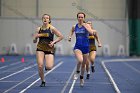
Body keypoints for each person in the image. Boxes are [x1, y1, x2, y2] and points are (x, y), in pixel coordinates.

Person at [33, 14, 63, 87]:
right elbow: (34, 41)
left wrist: (53, 42)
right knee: (40, 66)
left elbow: (61, 36)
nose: (45, 19)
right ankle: (43, 81)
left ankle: (47, 67)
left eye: (47, 18)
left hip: (49, 49)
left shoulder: (52, 28)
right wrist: (35, 38)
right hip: (40, 48)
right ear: (42, 19)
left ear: (49, 20)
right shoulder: (38, 29)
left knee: (49, 67)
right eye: (44, 18)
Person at [68, 12, 96, 86]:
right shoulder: (75, 26)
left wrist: (86, 26)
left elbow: (92, 33)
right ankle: (77, 71)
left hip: (86, 47)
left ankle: (81, 78)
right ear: (77, 18)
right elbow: (71, 31)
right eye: (79, 17)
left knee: (84, 65)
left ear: (84, 18)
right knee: (80, 60)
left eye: (82, 17)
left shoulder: (87, 25)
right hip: (78, 46)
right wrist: (70, 37)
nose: (80, 18)